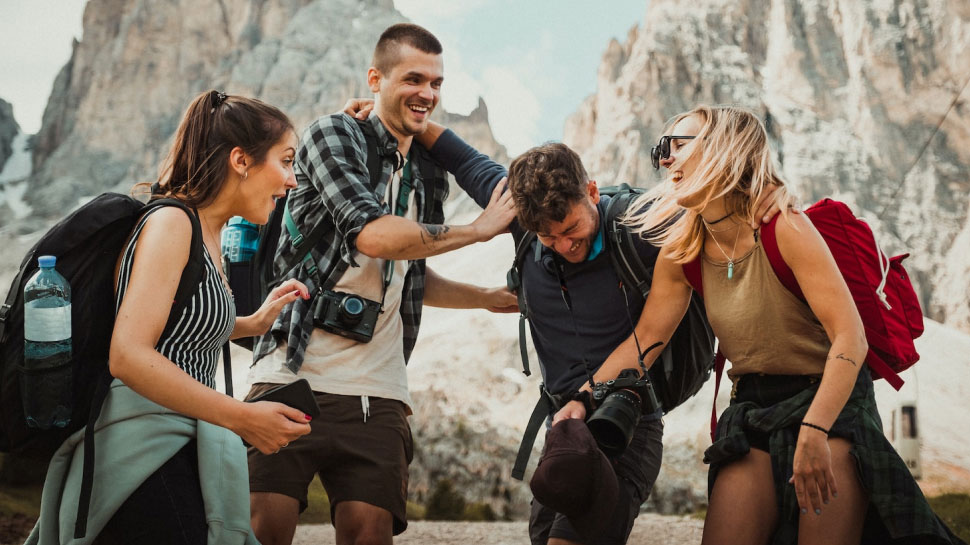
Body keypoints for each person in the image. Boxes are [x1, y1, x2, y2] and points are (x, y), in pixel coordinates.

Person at [336, 107, 778, 544]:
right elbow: (462, 157)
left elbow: (723, 204)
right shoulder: (521, 218)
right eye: (549, 237)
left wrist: (771, 194)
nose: (565, 246)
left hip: (627, 420)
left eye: (572, 228)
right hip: (565, 427)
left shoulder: (642, 225)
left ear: (591, 190)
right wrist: (389, 112)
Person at [556, 104, 965, 545]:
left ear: (724, 148)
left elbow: (851, 337)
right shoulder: (683, 250)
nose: (665, 159)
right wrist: (582, 398)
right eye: (662, 149)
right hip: (752, 409)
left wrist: (816, 429)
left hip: (830, 403)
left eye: (678, 145)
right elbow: (646, 339)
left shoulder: (784, 226)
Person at [246, 23, 517, 545]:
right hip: (291, 370)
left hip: (380, 391)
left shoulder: (429, 172)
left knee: (370, 534)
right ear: (376, 77)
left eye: (437, 83)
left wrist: (485, 299)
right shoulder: (332, 135)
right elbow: (373, 236)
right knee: (262, 531)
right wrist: (477, 231)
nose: (428, 94)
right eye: (413, 79)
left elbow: (410, 267)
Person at [27, 90, 314, 545]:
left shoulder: (207, 232)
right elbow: (128, 355)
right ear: (241, 160)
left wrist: (253, 321)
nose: (292, 180)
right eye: (285, 161)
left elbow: (175, 324)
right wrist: (241, 417)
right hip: (142, 451)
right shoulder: (172, 223)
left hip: (178, 440)